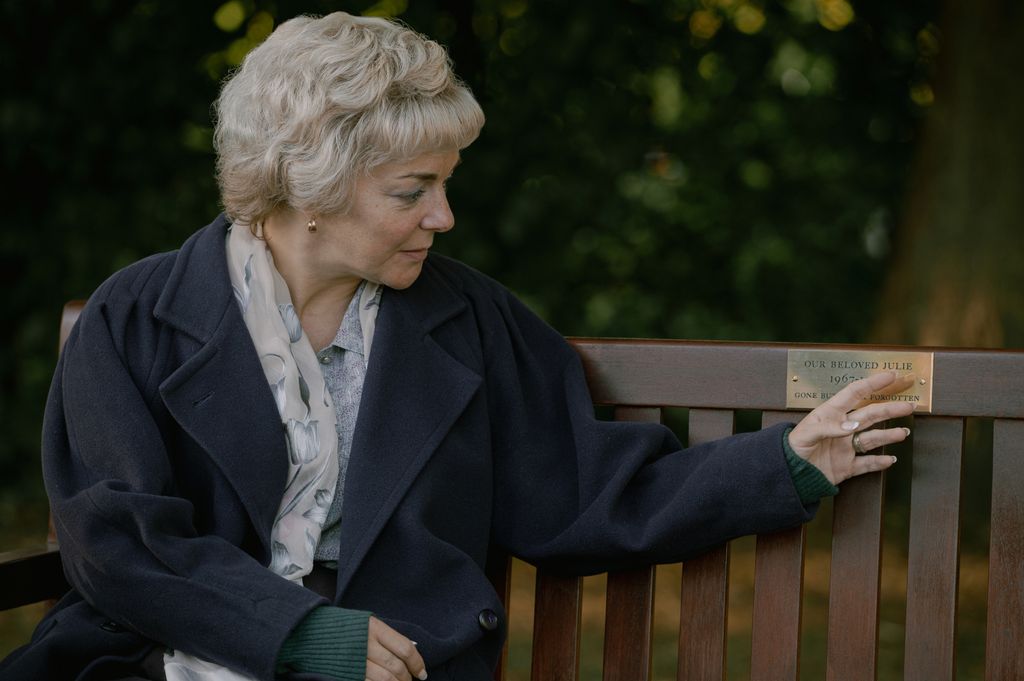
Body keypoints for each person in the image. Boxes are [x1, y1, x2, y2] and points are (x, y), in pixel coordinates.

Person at [0, 12, 915, 681]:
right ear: (307, 188)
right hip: (149, 661)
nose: (444, 215)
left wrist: (788, 463)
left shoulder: (465, 318)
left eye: (446, 184)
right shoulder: (139, 317)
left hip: (402, 666)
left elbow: (584, 492)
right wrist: (298, 634)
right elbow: (117, 537)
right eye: (413, 189)